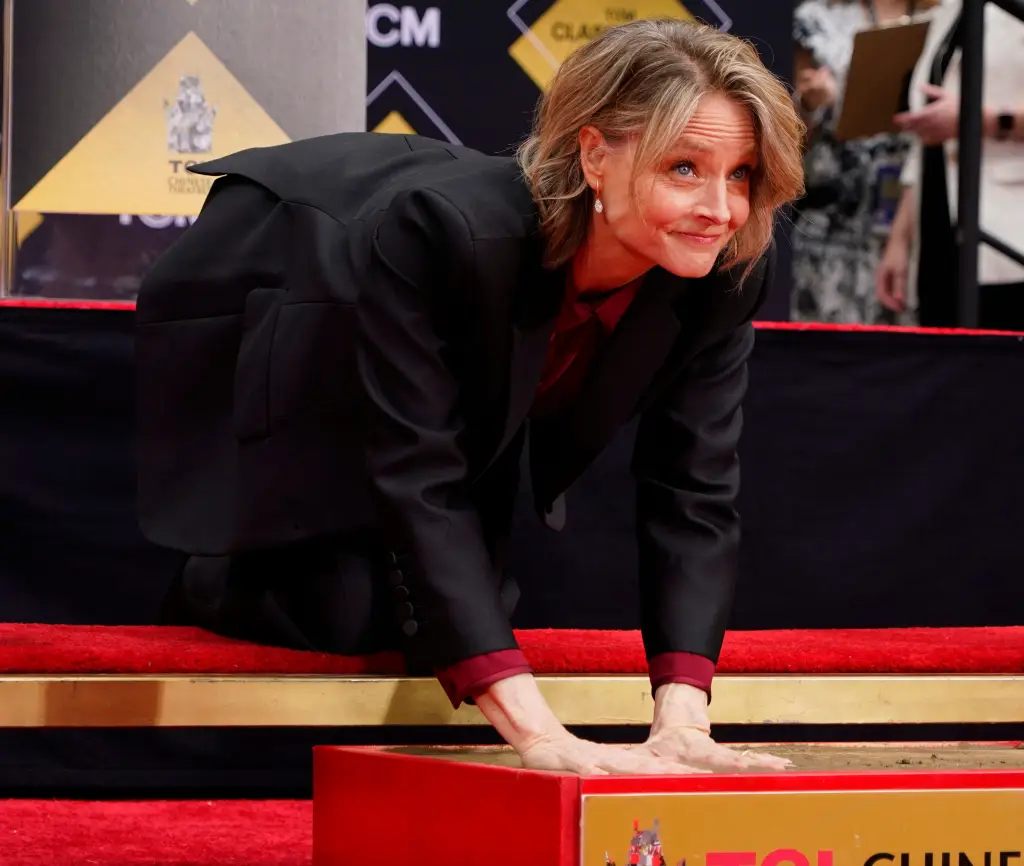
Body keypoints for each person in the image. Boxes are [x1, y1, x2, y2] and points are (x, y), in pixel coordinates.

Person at [135, 19, 804, 775]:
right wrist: (540, 740)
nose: (721, 208)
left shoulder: (723, 269)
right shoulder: (444, 232)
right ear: (594, 155)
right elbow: (420, 475)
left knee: (459, 604)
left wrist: (685, 714)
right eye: (685, 168)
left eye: (742, 174)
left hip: (450, 338)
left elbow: (693, 489)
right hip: (299, 281)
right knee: (350, 607)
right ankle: (215, 581)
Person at [877, 0, 1024, 327]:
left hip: (1008, 240)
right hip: (939, 233)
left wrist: (987, 119)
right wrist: (900, 240)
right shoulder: (950, 10)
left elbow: (964, 116)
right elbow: (926, 139)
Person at [790, 0, 935, 324]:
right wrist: (812, 105)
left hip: (908, 213)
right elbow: (786, 139)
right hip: (832, 219)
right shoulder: (816, 19)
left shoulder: (941, 16)